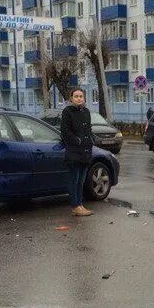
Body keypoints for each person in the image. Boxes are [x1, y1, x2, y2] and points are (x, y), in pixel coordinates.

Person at [60, 87, 95, 217]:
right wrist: (77, 140)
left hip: (86, 152)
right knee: (73, 180)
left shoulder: (86, 111)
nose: (79, 98)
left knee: (81, 181)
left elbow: (89, 130)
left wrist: (90, 140)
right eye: (76, 96)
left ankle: (80, 205)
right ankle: (75, 205)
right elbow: (65, 131)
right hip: (74, 152)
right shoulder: (67, 111)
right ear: (71, 98)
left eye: (81, 96)